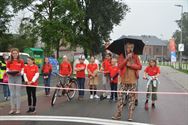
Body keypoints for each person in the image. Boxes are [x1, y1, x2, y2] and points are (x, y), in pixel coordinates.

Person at [112, 42, 142, 121]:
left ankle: (130, 115)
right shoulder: (122, 56)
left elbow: (140, 67)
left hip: (132, 81)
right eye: (128, 47)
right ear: (125, 47)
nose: (130, 49)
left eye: (132, 47)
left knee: (132, 99)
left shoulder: (135, 56)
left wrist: (131, 65)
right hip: (123, 81)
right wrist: (126, 60)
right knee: (120, 98)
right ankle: (118, 113)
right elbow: (119, 66)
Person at [6, 48, 24, 114]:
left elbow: (22, 70)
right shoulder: (9, 61)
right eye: (13, 53)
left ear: (18, 53)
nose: (14, 54)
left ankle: (18, 109)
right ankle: (12, 108)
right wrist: (8, 72)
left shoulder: (21, 61)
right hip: (11, 78)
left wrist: (20, 73)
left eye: (16, 53)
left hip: (18, 78)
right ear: (11, 54)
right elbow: (7, 69)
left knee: (18, 94)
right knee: (12, 94)